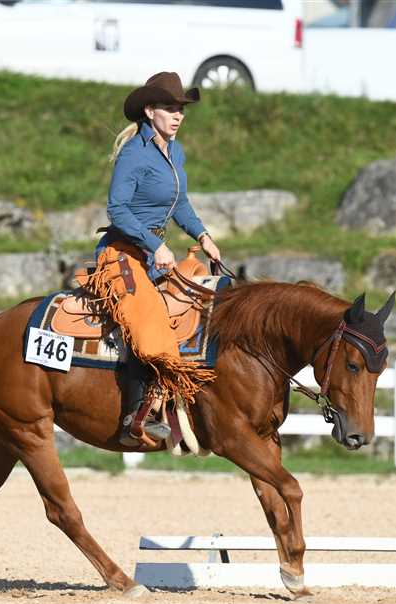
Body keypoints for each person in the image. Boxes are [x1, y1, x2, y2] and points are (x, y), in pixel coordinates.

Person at [86, 71, 222, 446]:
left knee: (199, 299)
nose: (178, 116)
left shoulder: (175, 151)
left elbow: (180, 203)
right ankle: (137, 415)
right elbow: (117, 209)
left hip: (153, 256)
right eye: (169, 108)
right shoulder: (134, 154)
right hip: (121, 253)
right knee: (147, 320)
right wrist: (154, 244)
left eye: (181, 110)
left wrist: (203, 236)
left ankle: (187, 404)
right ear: (150, 111)